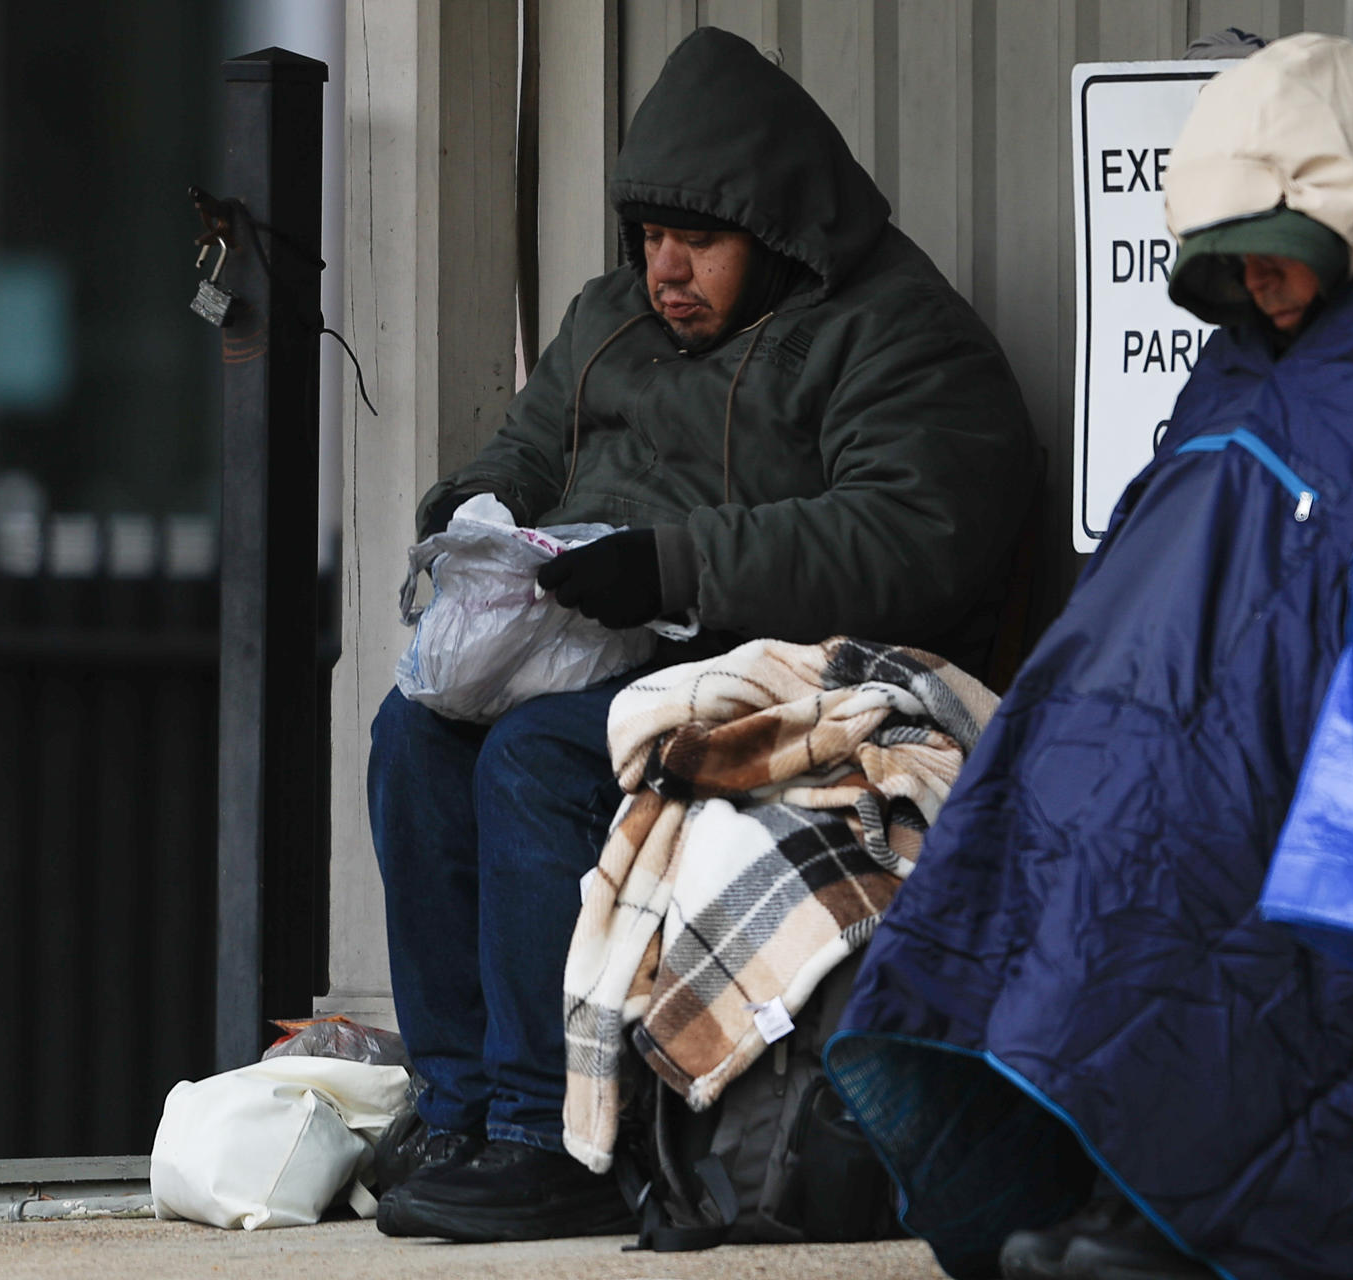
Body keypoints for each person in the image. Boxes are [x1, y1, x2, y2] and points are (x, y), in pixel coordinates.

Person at [825, 33, 1353, 1280]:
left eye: (1278, 255)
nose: (1258, 287)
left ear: (1350, 213)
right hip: (1157, 708)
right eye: (1231, 266)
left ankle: (1178, 1202)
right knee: (1057, 817)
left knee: (1178, 843)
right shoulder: (1243, 362)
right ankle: (1104, 1174)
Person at [366, 25, 1037, 1244]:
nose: (665, 268)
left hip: (792, 664)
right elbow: (529, 446)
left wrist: (677, 564)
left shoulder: (897, 332)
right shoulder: (612, 316)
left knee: (536, 759)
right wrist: (479, 511)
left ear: (776, 228)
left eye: (699, 241)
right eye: (649, 237)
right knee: (411, 737)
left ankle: (544, 1133)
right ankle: (458, 1103)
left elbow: (914, 535)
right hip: (616, 644)